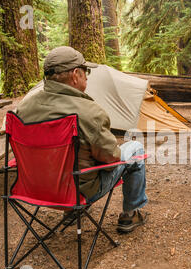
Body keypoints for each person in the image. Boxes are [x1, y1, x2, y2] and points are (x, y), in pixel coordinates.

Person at [13, 46, 148, 233]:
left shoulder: (24, 107)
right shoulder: (89, 112)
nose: (87, 77)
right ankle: (129, 214)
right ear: (75, 75)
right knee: (135, 148)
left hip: (32, 188)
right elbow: (112, 160)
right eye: (86, 72)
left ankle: (72, 213)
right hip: (77, 192)